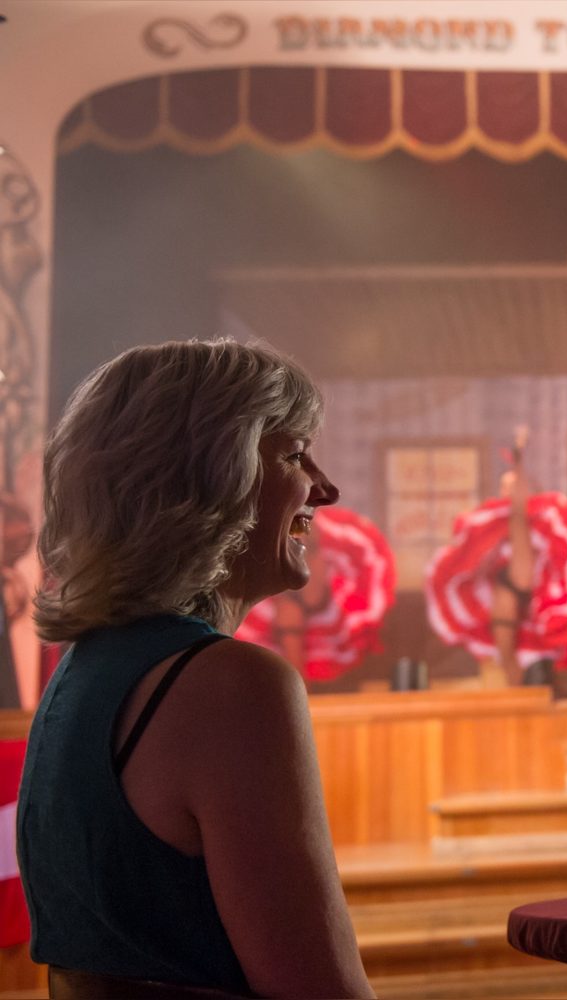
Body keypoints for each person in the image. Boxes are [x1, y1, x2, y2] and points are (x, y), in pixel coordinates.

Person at [17, 340, 373, 998]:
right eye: (295, 454)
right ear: (212, 476)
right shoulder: (230, 686)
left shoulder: (83, 672)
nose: (326, 488)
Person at [425, 426, 567, 687]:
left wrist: (519, 460)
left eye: (513, 486)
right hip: (505, 582)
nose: (508, 491)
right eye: (505, 487)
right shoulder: (493, 526)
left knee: (520, 574)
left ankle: (526, 678)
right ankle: (513, 676)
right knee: (506, 612)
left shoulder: (540, 522)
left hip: (530, 580)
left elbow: (524, 523)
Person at [235, 504, 396, 684]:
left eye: (309, 549)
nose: (303, 562)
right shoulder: (264, 618)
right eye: (291, 549)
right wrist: (291, 632)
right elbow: (293, 694)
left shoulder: (356, 616)